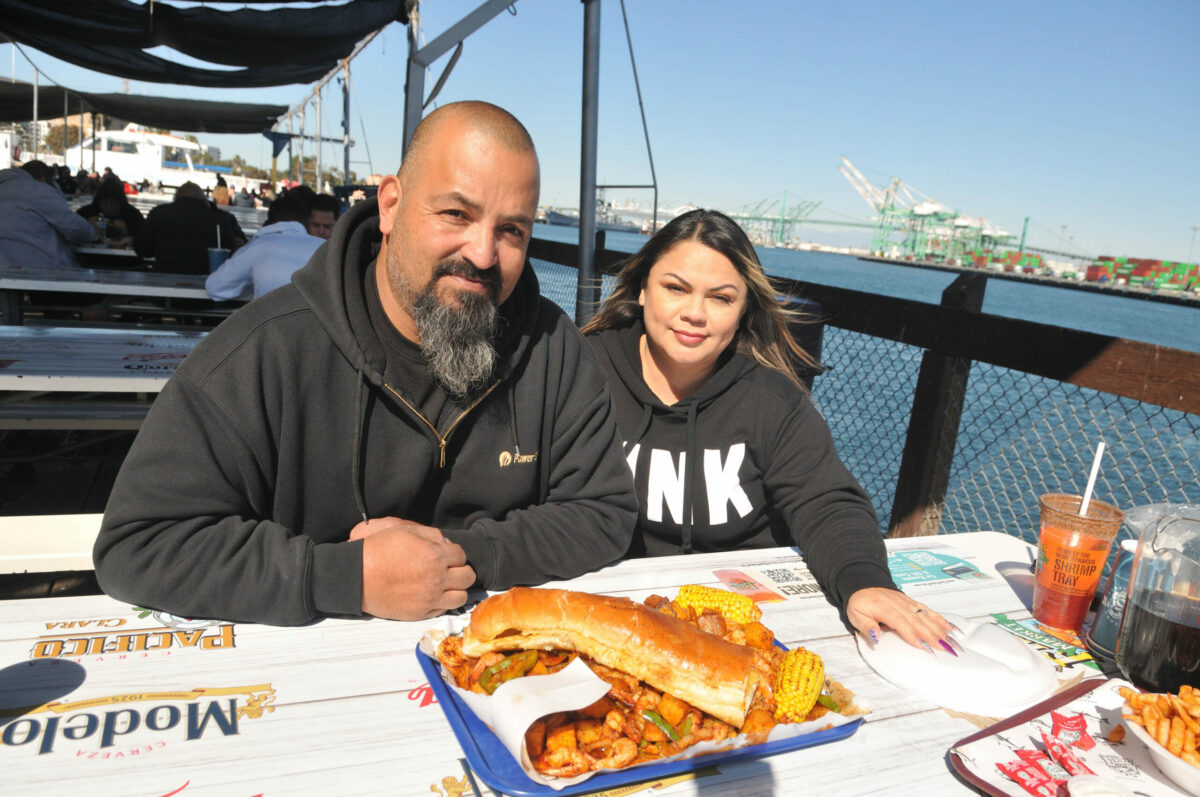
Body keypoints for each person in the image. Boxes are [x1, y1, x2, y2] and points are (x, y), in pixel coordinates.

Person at [94, 101, 637, 626]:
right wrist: (342, 576)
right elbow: (139, 542)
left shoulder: (552, 347)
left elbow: (604, 512)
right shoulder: (265, 349)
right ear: (391, 205)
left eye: (512, 230)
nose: (482, 253)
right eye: (456, 214)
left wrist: (452, 559)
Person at [582, 209, 956, 653]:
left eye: (721, 298)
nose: (694, 313)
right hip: (608, 609)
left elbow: (825, 501)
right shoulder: (581, 371)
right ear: (643, 289)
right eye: (675, 288)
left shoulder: (772, 399)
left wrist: (864, 581)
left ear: (743, 310)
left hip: (743, 623)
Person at [205, 192, 323, 300]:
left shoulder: (257, 248)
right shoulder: (323, 248)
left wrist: (252, 281)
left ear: (269, 221)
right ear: (307, 222)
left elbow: (215, 287)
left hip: (273, 316)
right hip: (318, 317)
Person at [0, 160, 97, 269]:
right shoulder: (37, 190)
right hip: (41, 269)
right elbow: (75, 228)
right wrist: (93, 231)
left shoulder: (5, 188)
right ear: (42, 178)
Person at [134, 182, 245, 274]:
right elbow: (234, 252)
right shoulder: (221, 219)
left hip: (165, 276)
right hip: (208, 280)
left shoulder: (158, 213)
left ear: (175, 198)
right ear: (205, 200)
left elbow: (143, 250)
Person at [76, 175, 144, 247]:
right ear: (98, 201)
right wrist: (85, 226)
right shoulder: (86, 212)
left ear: (120, 203)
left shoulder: (132, 215)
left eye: (113, 202)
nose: (108, 206)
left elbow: (145, 236)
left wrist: (129, 232)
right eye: (104, 202)